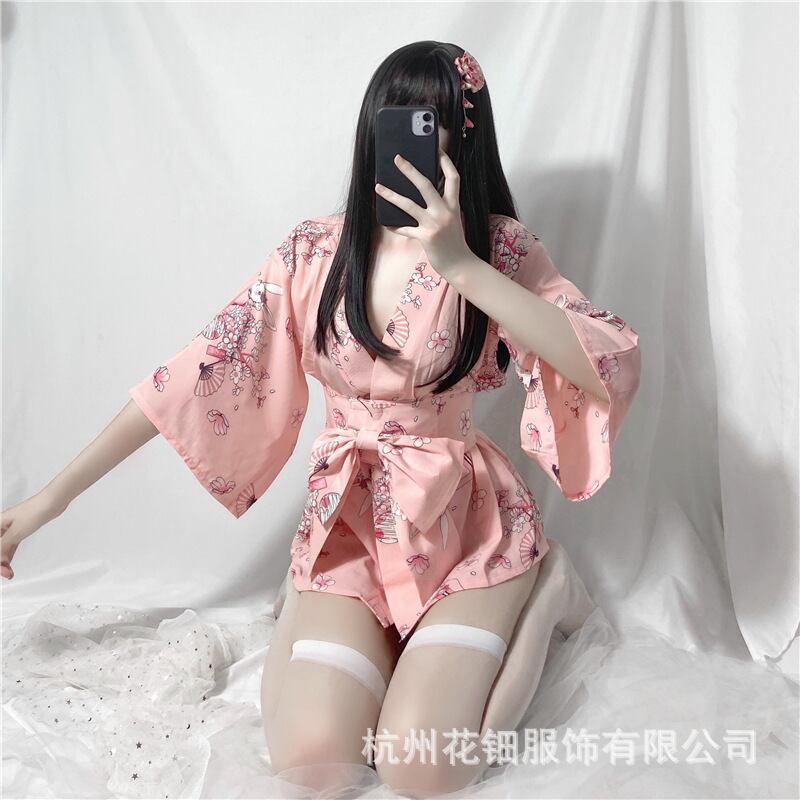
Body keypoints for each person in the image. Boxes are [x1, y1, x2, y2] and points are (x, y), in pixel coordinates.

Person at [0, 41, 641, 796]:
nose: (416, 133)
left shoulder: (498, 248)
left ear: (464, 134)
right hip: (350, 527)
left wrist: (461, 266)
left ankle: (547, 585)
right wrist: (50, 500)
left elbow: (604, 356)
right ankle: (314, 601)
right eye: (399, 113)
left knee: (422, 766)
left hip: (464, 527)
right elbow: (195, 373)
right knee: (314, 764)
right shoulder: (315, 252)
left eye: (434, 117)